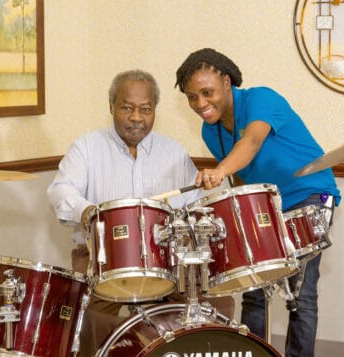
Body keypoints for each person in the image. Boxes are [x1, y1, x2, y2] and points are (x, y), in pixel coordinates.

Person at [47, 69, 233, 356]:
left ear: (154, 111)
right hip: (102, 262)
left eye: (145, 110)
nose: (136, 117)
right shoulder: (86, 148)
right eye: (127, 108)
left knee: (215, 307)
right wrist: (88, 212)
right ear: (112, 107)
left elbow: (195, 206)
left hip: (168, 262)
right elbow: (60, 191)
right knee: (87, 317)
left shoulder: (174, 152)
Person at [174, 48, 340, 357]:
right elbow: (241, 178)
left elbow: (250, 142)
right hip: (265, 208)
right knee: (252, 290)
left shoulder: (261, 99)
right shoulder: (209, 131)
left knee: (299, 294)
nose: (200, 104)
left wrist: (219, 171)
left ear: (227, 81)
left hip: (310, 195)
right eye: (192, 97)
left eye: (206, 93)